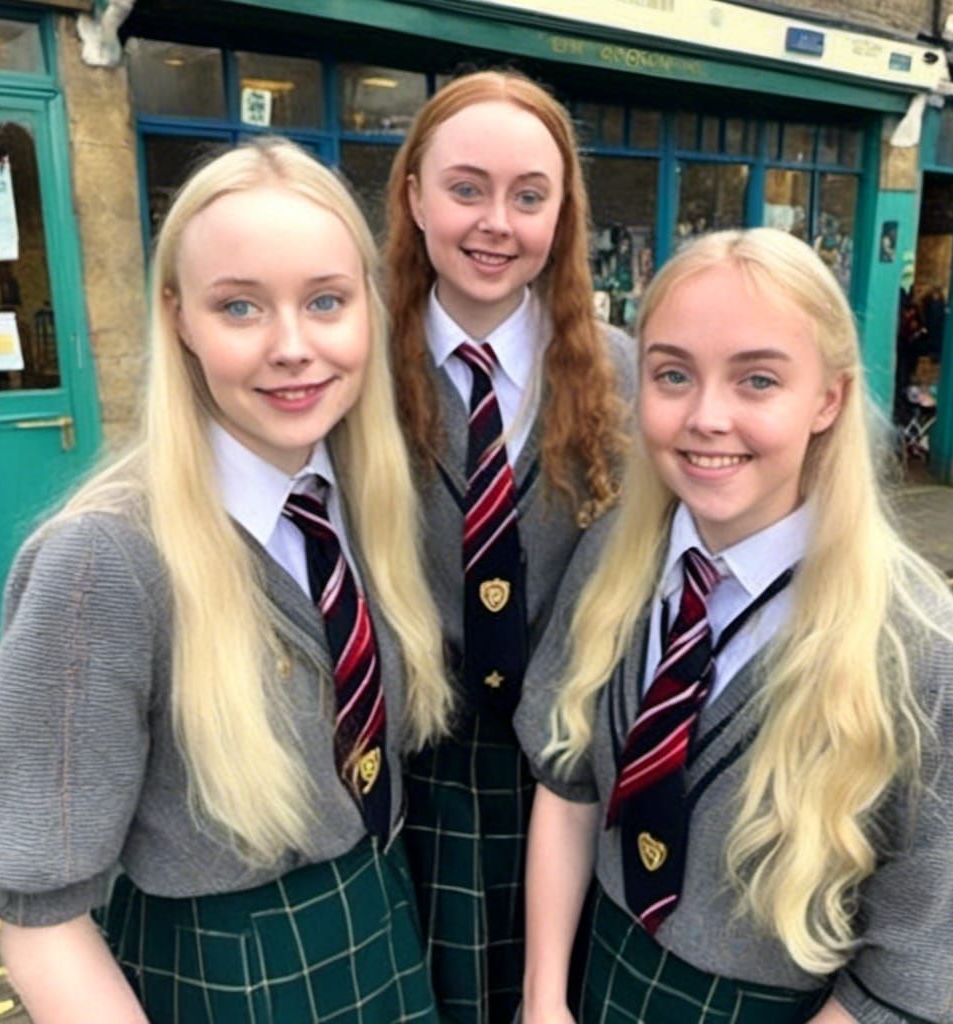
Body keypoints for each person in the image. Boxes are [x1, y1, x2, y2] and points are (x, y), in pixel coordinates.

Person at [0, 138, 453, 1024]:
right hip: (227, 973)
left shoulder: (366, 505)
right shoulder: (102, 562)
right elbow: (42, 923)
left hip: (380, 927)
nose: (293, 348)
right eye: (240, 307)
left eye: (326, 301)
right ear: (180, 319)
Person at [517, 228, 953, 1023]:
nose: (707, 417)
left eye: (758, 380)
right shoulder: (611, 557)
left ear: (828, 399)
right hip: (599, 978)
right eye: (673, 374)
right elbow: (567, 782)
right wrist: (543, 1000)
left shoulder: (933, 665)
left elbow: (924, 967)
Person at [383, 70, 632, 1024]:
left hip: (568, 774)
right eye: (466, 188)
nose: (496, 222)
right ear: (415, 196)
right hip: (409, 773)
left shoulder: (619, 372)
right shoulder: (355, 365)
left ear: (563, 214)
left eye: (530, 196)